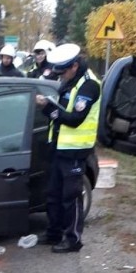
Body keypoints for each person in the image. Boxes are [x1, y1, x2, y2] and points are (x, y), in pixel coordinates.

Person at [35, 43, 101, 253]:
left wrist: (48, 109)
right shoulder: (70, 81)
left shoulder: (89, 86)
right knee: (53, 194)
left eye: (63, 72)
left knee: (71, 197)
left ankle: (73, 239)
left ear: (74, 66)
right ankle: (54, 232)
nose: (61, 76)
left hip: (75, 151)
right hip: (59, 147)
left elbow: (74, 120)